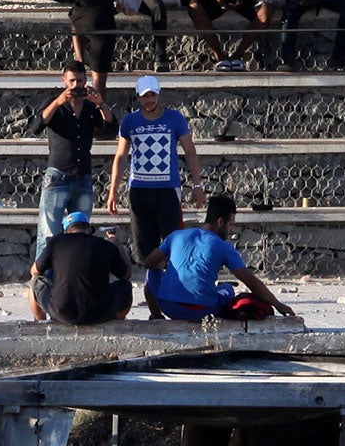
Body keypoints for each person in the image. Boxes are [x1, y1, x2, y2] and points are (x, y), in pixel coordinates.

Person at [107, 74, 204, 317]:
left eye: (152, 95)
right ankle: (154, 306)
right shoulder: (130, 121)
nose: (149, 100)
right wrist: (113, 190)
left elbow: (189, 150)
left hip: (168, 190)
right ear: (138, 97)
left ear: (159, 94)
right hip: (139, 191)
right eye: (144, 96)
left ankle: (174, 296)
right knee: (146, 251)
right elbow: (121, 156)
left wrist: (197, 185)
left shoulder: (174, 118)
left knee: (173, 246)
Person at [144, 194, 296, 322]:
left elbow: (149, 262)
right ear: (220, 221)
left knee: (151, 274)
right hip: (201, 312)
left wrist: (165, 267)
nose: (231, 230)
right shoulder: (223, 247)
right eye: (231, 224)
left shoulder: (176, 235)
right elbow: (251, 282)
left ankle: (157, 317)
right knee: (227, 289)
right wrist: (278, 305)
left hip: (169, 307)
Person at [35, 60, 115, 263]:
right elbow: (37, 124)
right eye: (71, 81)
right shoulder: (54, 103)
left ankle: (77, 273)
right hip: (57, 175)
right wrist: (59, 101)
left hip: (83, 176)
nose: (75, 86)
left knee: (81, 233)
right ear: (64, 81)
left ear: (85, 81)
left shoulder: (89, 107)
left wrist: (100, 103)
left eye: (79, 81)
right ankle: (43, 282)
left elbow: (111, 128)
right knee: (49, 234)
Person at [31, 211, 132, 326]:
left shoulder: (57, 242)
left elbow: (35, 271)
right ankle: (118, 322)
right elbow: (126, 275)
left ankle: (40, 324)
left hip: (63, 312)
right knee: (126, 286)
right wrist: (117, 244)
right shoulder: (105, 245)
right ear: (88, 229)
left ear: (66, 231)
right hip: (100, 313)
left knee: (35, 282)